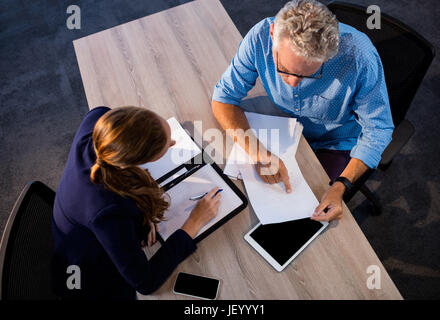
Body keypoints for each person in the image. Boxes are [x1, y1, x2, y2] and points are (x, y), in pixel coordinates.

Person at [212, 0, 394, 222]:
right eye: (285, 69)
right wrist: (258, 152)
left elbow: (379, 129)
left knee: (306, 218)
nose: (293, 83)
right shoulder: (260, 37)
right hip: (282, 125)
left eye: (308, 74)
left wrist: (341, 185)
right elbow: (224, 98)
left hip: (335, 141)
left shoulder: (359, 57)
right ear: (272, 34)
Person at [51, 106, 221, 299]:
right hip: (88, 268)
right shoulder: (109, 212)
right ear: (134, 162)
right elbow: (146, 282)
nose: (174, 142)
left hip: (79, 222)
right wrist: (194, 222)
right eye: (167, 146)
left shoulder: (98, 117)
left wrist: (141, 211)